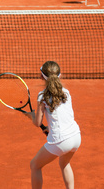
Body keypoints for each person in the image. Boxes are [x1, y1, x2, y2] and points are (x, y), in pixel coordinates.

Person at [26, 61, 81, 189]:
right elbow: (61, 117)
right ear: (59, 76)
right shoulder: (66, 92)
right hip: (76, 137)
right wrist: (49, 130)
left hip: (61, 141)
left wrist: (30, 115)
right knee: (64, 163)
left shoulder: (42, 96)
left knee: (35, 165)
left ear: (41, 77)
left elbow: (37, 122)